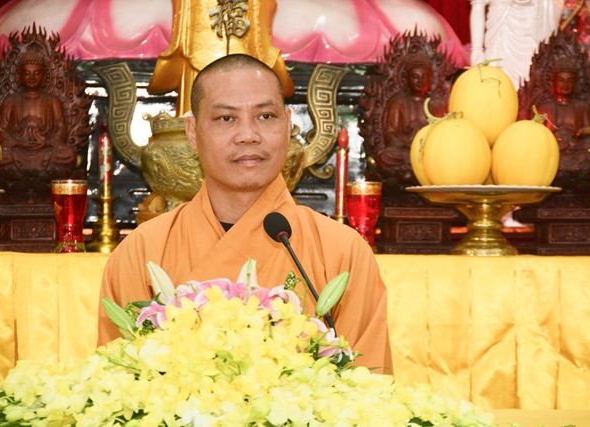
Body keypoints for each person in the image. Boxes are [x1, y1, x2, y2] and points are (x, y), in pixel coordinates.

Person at [99, 54, 392, 373]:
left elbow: (367, 383)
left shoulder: (342, 252)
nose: (248, 135)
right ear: (193, 132)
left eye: (265, 116)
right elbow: (119, 382)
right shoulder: (142, 252)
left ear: (288, 124)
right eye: (226, 118)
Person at [0, 48, 74, 182]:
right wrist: (17, 142)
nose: (32, 77)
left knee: (69, 155)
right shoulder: (10, 101)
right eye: (27, 73)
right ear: (19, 76)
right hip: (17, 151)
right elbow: (1, 129)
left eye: (37, 73)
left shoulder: (53, 101)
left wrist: (46, 141)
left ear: (44, 76)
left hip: (46, 150)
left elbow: (61, 128)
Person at [380, 54, 445, 184]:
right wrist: (407, 141)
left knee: (444, 155)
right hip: (405, 152)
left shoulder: (437, 103)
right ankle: (418, 171)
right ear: (406, 79)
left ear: (430, 79)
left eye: (424, 77)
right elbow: (389, 134)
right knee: (385, 157)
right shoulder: (398, 103)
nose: (420, 81)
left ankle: (410, 172)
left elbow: (443, 133)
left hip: (429, 152)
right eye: (415, 77)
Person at [470, 0, 564, 89]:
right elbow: (478, 4)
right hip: (502, 31)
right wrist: (477, 48)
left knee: (532, 78)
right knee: (499, 83)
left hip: (533, 33)